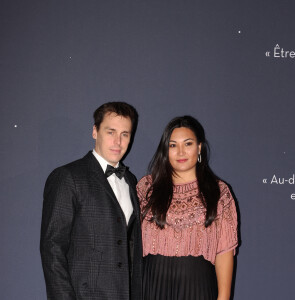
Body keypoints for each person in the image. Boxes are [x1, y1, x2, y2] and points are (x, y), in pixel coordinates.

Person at [40, 102, 142, 300]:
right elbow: (52, 248)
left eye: (125, 134)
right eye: (110, 132)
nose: (118, 142)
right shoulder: (68, 177)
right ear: (95, 131)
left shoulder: (130, 180)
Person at [137, 116, 238, 300]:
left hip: (198, 288)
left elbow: (224, 252)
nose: (181, 152)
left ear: (199, 148)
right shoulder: (146, 188)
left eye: (188, 144)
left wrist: (223, 298)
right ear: (165, 150)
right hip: (150, 287)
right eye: (173, 145)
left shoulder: (219, 192)